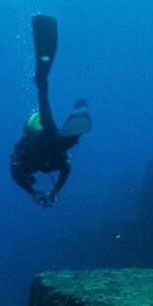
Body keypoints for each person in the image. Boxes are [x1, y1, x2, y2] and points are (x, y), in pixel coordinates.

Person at [10, 15, 91, 208]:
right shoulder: (55, 164)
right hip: (54, 146)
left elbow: (14, 174)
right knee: (66, 139)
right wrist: (54, 191)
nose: (31, 179)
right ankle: (73, 133)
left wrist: (33, 192)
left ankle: (41, 84)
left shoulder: (23, 165)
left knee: (49, 130)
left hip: (40, 140)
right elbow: (66, 169)